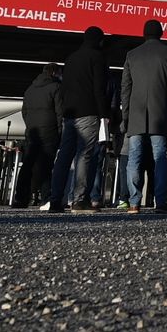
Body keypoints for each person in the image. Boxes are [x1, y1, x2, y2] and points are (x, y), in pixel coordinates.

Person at [119, 20, 167, 216]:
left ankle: (134, 202)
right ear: (161, 33)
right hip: (159, 113)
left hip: (136, 114)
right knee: (160, 158)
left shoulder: (131, 55)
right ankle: (161, 202)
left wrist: (126, 115)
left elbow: (125, 89)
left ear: (144, 33)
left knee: (134, 158)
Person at [48, 27, 111, 212]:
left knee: (65, 155)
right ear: (99, 41)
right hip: (88, 111)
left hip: (70, 114)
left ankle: (55, 199)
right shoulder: (97, 58)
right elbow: (99, 89)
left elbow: (64, 87)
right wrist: (104, 114)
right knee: (85, 155)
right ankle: (79, 200)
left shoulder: (71, 58)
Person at [18, 59, 62, 208]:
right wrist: (60, 132)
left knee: (27, 165)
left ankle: (20, 198)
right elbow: (59, 112)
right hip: (49, 131)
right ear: (55, 73)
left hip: (32, 132)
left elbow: (24, 112)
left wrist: (30, 126)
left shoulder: (30, 89)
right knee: (46, 166)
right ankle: (46, 198)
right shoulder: (56, 87)